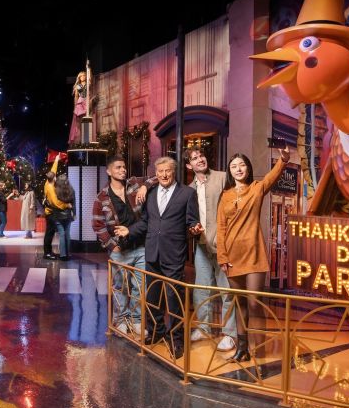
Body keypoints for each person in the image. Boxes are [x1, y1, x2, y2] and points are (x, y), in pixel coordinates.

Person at [116, 156, 202, 358]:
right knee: (153, 297)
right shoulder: (151, 193)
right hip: (152, 252)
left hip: (174, 254)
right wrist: (129, 231)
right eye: (160, 171)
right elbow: (146, 222)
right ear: (156, 174)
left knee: (174, 299)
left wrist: (195, 228)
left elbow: (192, 220)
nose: (164, 175)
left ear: (174, 172)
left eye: (167, 171)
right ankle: (156, 331)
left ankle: (177, 339)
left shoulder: (187, 193)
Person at [216, 147, 291, 362]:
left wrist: (283, 160)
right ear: (230, 171)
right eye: (234, 166)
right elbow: (221, 228)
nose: (238, 169)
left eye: (242, 165)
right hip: (232, 256)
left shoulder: (257, 188)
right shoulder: (226, 195)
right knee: (239, 303)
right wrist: (222, 256)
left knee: (254, 303)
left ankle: (259, 348)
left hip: (254, 254)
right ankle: (243, 349)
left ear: (248, 169)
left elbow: (271, 177)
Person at [185, 147, 238, 352]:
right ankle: (204, 327)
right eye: (194, 158)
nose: (200, 159)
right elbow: (190, 218)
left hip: (223, 246)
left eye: (201, 156)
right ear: (189, 165)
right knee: (201, 289)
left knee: (227, 290)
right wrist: (192, 228)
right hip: (201, 245)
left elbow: (235, 208)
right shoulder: (189, 189)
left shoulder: (223, 178)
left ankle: (230, 334)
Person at [93, 155, 150, 335]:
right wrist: (112, 246)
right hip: (120, 249)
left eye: (124, 167)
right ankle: (121, 320)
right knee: (120, 287)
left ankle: (136, 320)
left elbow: (156, 177)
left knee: (140, 286)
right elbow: (97, 224)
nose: (123, 170)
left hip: (140, 246)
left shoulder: (133, 184)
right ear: (109, 171)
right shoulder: (102, 197)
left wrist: (145, 186)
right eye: (118, 167)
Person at [42, 155, 69, 260]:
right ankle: (47, 253)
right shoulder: (51, 189)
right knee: (49, 233)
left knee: (50, 232)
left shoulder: (47, 182)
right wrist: (67, 205)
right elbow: (57, 203)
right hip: (50, 213)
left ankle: (48, 251)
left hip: (49, 212)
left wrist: (56, 160)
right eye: (55, 177)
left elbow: (53, 170)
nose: (56, 177)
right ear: (54, 179)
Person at [51, 176, 76, 261]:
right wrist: (74, 214)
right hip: (68, 215)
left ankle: (63, 255)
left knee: (62, 234)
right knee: (67, 234)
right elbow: (74, 204)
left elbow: (54, 204)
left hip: (58, 215)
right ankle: (68, 254)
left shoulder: (56, 191)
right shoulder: (71, 190)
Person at [68, 71, 88, 143]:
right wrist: (75, 107)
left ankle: (86, 138)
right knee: (78, 121)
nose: (82, 77)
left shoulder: (88, 83)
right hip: (80, 102)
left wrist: (88, 69)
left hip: (87, 101)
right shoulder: (78, 86)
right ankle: (79, 138)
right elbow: (76, 97)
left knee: (87, 119)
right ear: (79, 78)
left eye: (84, 75)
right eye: (81, 76)